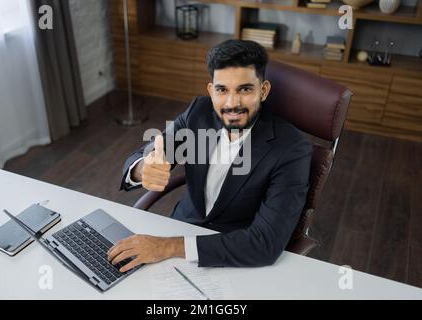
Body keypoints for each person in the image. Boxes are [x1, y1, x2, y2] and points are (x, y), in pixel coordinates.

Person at [108, 39, 312, 272]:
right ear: (211, 90)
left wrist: (168, 247)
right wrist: (143, 168)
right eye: (222, 90)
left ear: (263, 90)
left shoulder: (292, 149)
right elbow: (148, 153)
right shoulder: (199, 112)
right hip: (179, 227)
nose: (232, 104)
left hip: (232, 253)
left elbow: (264, 243)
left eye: (245, 89)